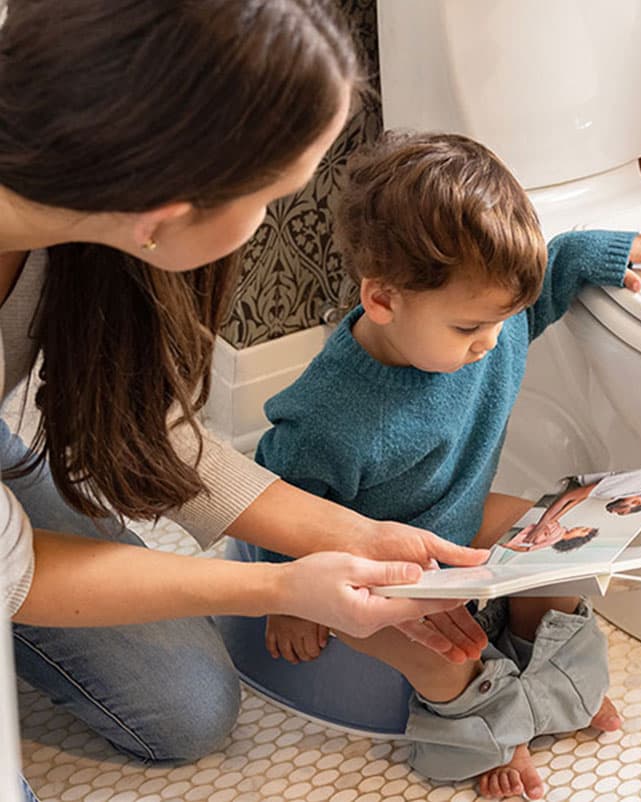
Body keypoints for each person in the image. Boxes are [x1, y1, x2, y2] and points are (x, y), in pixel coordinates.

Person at [0, 5, 490, 800]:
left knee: (187, 709)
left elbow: (149, 432)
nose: (265, 225)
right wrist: (279, 588)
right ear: (162, 216)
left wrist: (359, 535)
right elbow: (13, 575)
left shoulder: (75, 196)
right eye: (268, 199)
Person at [252, 130, 641, 798]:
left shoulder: (488, 319)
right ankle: (484, 732)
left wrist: (599, 252)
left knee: (564, 550)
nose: (492, 341)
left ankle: (556, 689)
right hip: (370, 559)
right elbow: (275, 501)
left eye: (502, 319)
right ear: (383, 300)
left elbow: (544, 282)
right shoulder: (330, 413)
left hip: (456, 515)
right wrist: (292, 598)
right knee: (442, 655)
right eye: (469, 330)